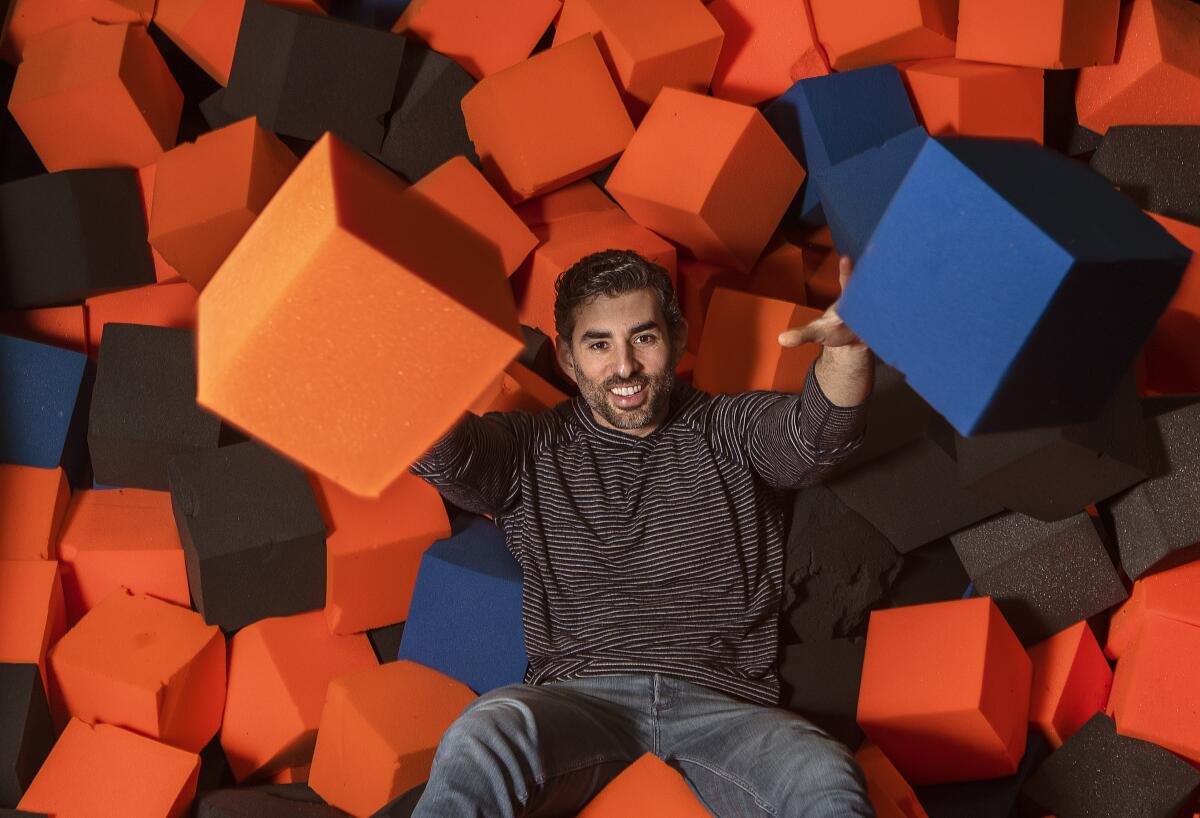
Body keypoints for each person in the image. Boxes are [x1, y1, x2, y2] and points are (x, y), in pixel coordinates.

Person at [409, 248, 876, 817]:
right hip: (577, 706)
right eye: (599, 343)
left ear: (676, 339)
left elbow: (814, 438)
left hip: (727, 712)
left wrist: (850, 350)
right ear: (567, 356)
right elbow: (452, 458)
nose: (624, 366)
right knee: (484, 735)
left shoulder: (728, 428)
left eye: (644, 337)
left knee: (825, 773)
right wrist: (399, 362)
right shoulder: (530, 448)